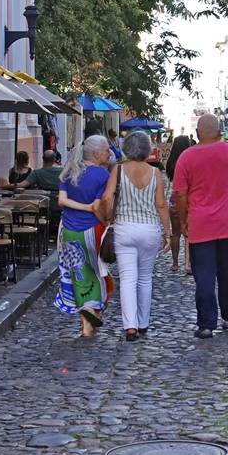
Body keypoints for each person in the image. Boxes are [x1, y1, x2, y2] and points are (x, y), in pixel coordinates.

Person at [173, 114, 228, 338]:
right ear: (219, 131)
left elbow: (180, 194)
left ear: (198, 133)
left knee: (204, 274)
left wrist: (183, 220)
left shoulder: (186, 157)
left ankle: (206, 324)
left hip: (200, 224)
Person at [103, 132, 171, 342]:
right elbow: (161, 204)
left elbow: (107, 197)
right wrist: (167, 232)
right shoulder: (155, 173)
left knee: (128, 278)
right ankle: (143, 323)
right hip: (149, 228)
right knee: (144, 278)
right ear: (147, 149)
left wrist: (106, 218)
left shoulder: (119, 169)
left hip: (124, 227)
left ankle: (130, 326)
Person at [56, 135, 113, 338]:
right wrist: (104, 220)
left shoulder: (69, 171)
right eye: (107, 150)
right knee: (97, 273)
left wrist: (82, 207)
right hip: (91, 229)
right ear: (97, 154)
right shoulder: (103, 175)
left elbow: (62, 201)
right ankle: (91, 314)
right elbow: (98, 207)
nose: (109, 153)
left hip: (67, 231)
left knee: (78, 273)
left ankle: (85, 322)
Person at [164, 135, 194, 274]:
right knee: (189, 232)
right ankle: (188, 263)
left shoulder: (170, 162)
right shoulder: (189, 161)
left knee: (175, 233)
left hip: (173, 198)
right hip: (188, 198)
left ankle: (175, 263)